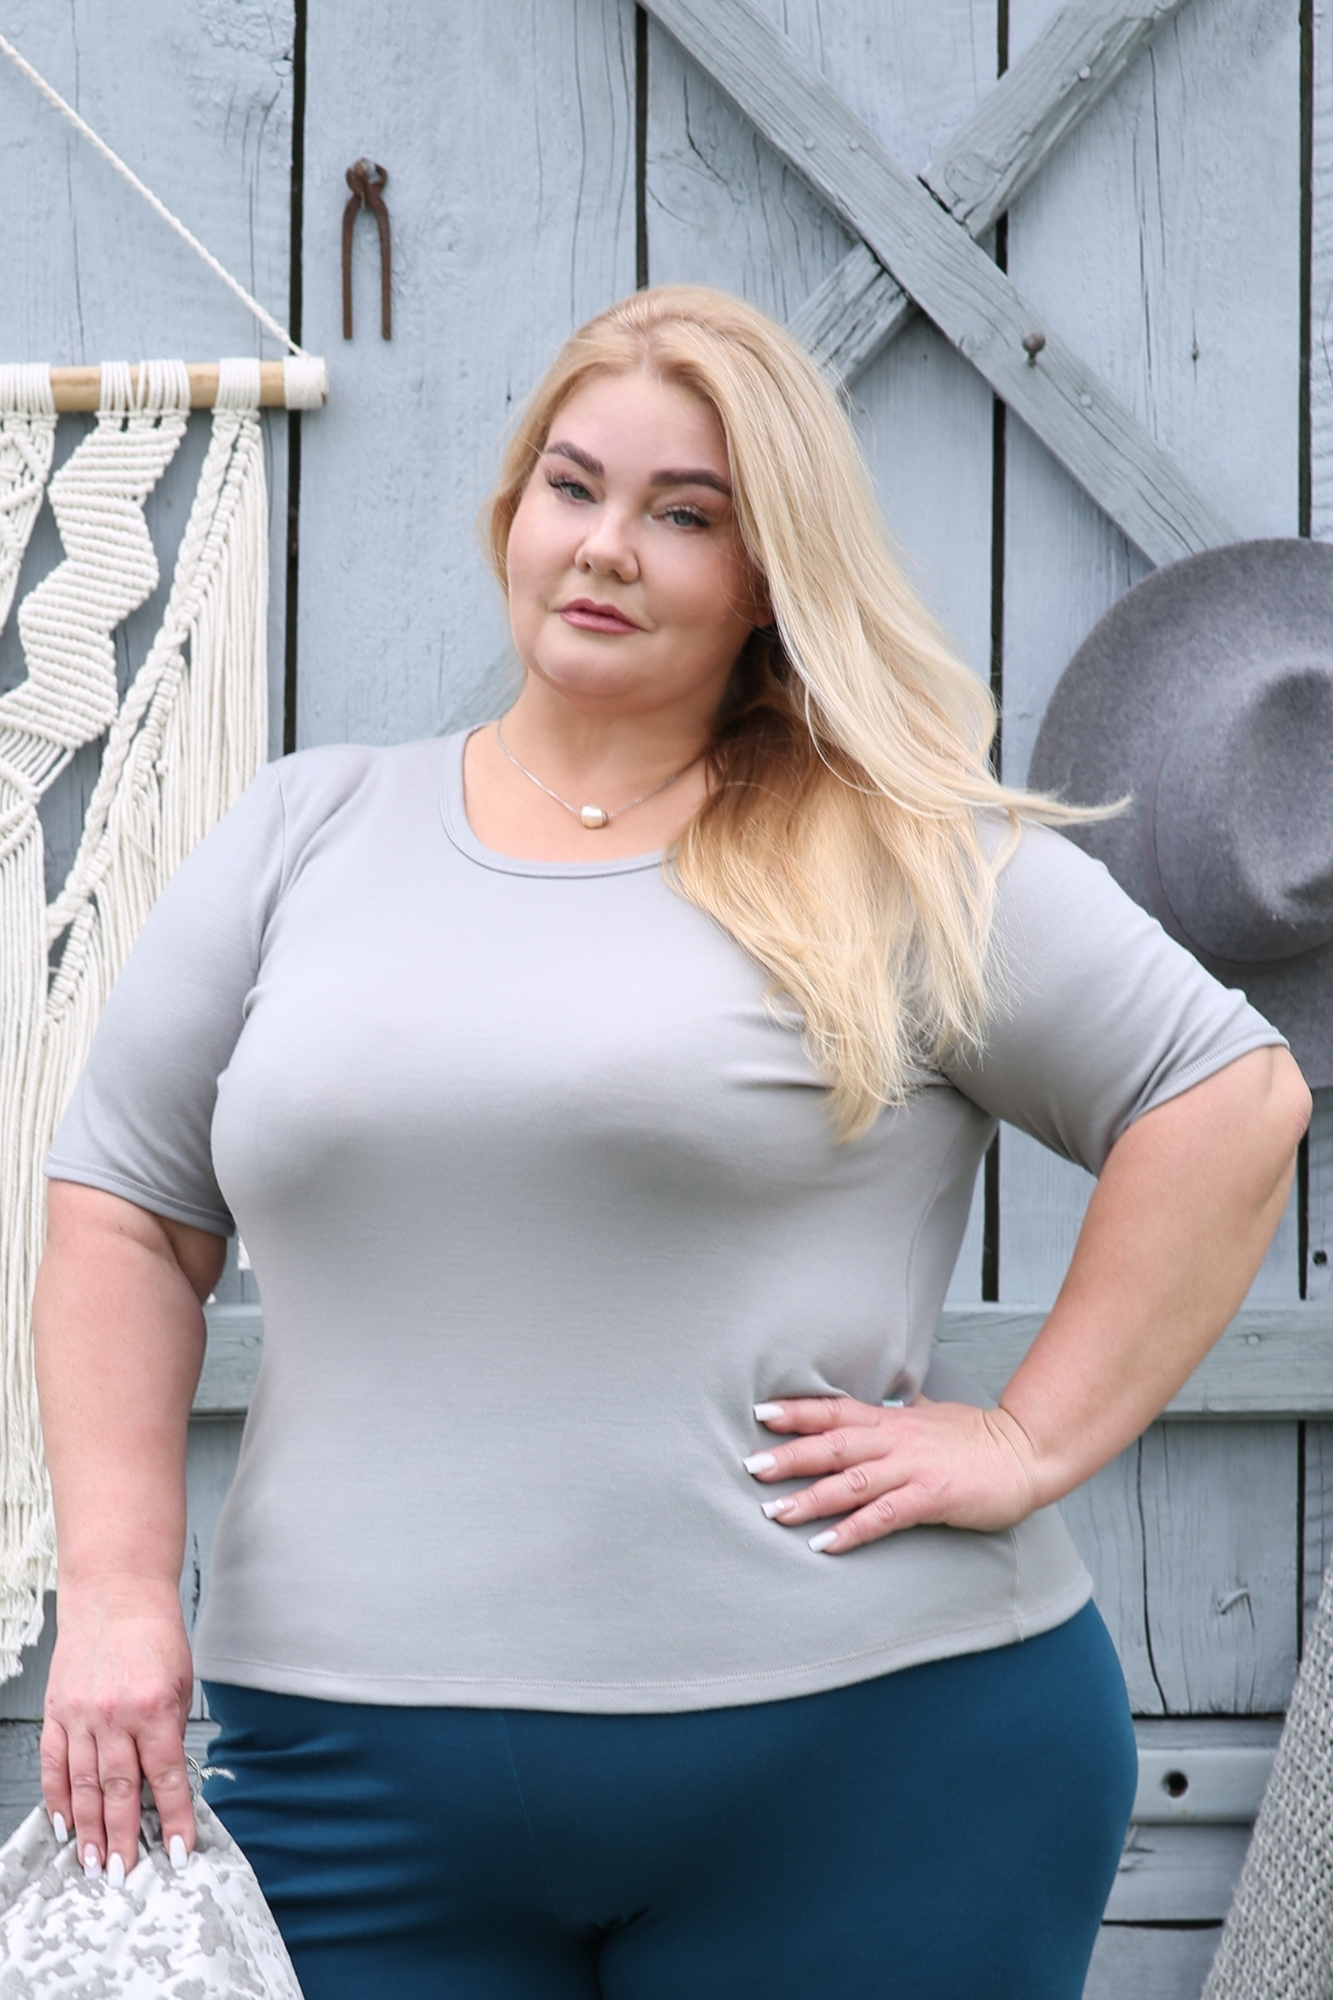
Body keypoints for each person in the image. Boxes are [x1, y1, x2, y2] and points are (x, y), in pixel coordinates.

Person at [32, 285, 1310, 2000]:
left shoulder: (898, 855)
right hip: (343, 1774)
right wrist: (117, 1592)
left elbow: (1227, 1099)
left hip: (876, 1759)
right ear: (513, 511)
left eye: (683, 514)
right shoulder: (302, 835)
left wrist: (1025, 1439)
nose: (605, 548)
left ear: (768, 574)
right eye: (572, 488)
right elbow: (124, 1214)